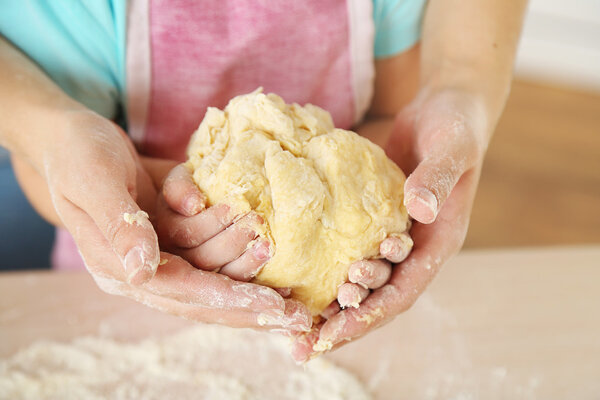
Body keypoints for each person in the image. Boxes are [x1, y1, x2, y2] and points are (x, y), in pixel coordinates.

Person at [0, 0, 526, 362]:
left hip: (335, 309)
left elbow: (392, 118)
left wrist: (460, 95)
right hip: (120, 288)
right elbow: (53, 158)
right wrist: (66, 148)